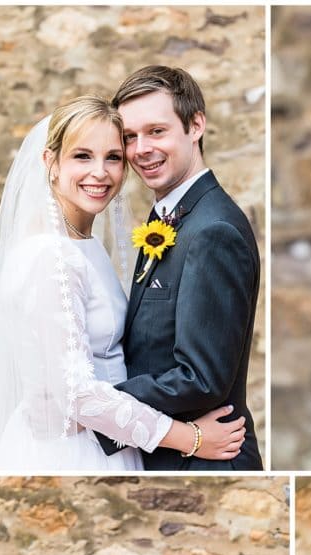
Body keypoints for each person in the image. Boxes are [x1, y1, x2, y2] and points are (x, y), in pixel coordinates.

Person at [0, 97, 246, 471]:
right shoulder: (50, 256)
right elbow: (75, 393)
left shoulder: (83, 244)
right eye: (82, 156)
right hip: (73, 453)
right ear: (50, 161)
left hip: (112, 442)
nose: (101, 173)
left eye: (113, 157)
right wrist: (189, 437)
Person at [93, 66, 263, 471]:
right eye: (130, 137)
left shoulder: (213, 230)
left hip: (203, 463)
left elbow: (201, 377)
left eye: (156, 131)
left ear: (196, 125)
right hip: (168, 455)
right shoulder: (171, 216)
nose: (140, 149)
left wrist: (99, 407)